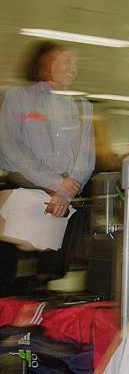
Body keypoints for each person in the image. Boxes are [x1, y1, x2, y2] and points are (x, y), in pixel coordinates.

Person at [0, 40, 95, 283]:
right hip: (22, 196)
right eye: (66, 61)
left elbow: (85, 155)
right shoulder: (18, 98)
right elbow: (10, 147)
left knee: (48, 278)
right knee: (7, 276)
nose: (73, 67)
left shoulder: (81, 104)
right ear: (45, 62)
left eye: (75, 62)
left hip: (61, 202)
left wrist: (66, 191)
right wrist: (54, 182)